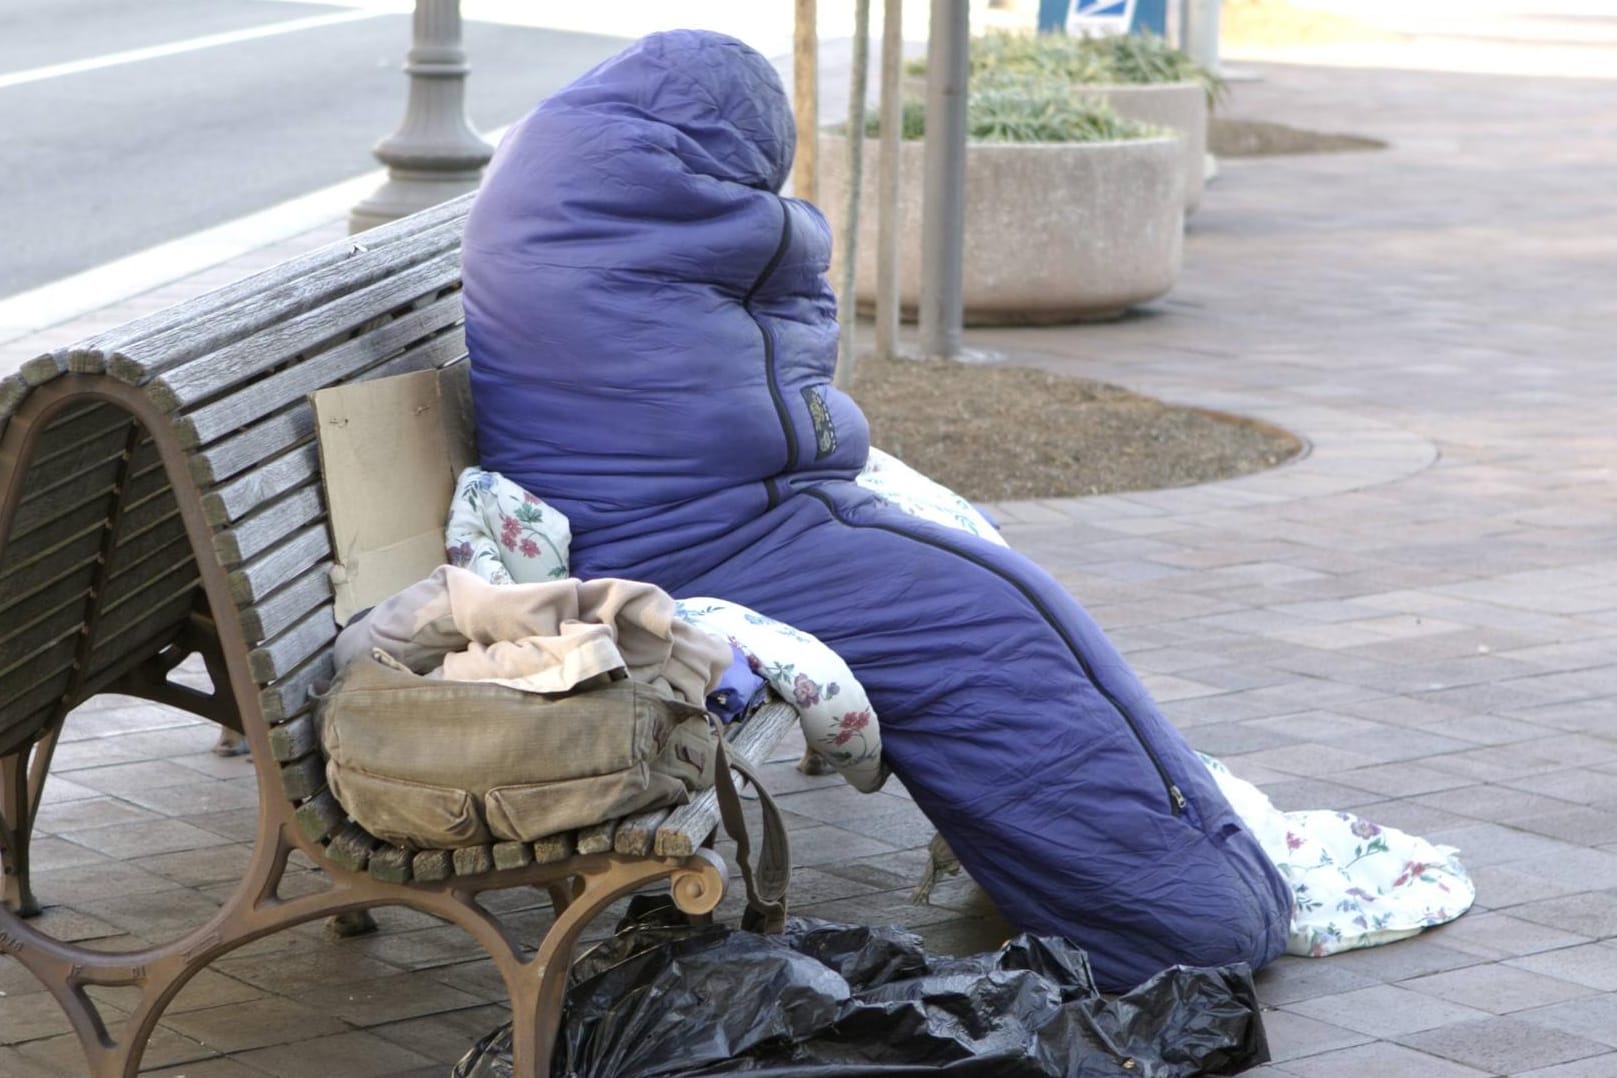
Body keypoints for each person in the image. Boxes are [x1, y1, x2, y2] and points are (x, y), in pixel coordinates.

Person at [461, 28, 1291, 991]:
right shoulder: (623, 203)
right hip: (692, 539)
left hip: (707, 514)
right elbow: (784, 304)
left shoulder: (577, 177)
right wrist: (789, 235)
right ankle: (1187, 923)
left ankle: (1184, 880)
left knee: (997, 595)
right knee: (982, 624)